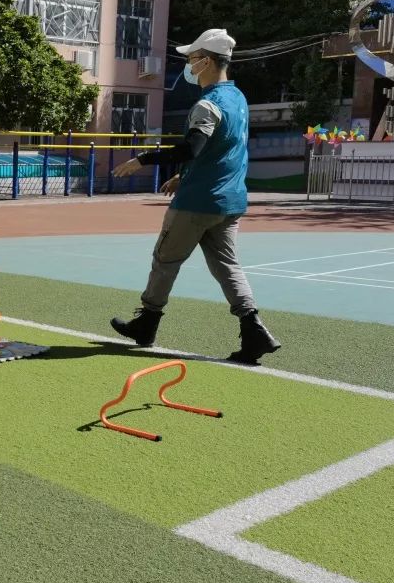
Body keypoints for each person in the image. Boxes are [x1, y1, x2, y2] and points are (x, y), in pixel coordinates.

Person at [109, 28, 281, 365]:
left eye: (192, 59)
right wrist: (182, 174)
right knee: (228, 266)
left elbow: (192, 147)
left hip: (197, 202)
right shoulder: (238, 99)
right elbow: (223, 149)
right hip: (230, 201)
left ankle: (146, 324)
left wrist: (142, 159)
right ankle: (254, 330)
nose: (189, 64)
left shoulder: (209, 103)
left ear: (206, 61)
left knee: (165, 261)